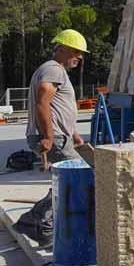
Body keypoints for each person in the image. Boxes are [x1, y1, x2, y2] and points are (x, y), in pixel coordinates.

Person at [27, 29, 88, 170]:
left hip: (58, 136)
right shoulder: (54, 70)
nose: (80, 57)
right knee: (80, 173)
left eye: (81, 53)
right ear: (61, 49)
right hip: (55, 137)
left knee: (63, 178)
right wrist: (49, 138)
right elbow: (42, 103)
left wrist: (74, 134)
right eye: (76, 51)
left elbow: (57, 107)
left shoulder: (53, 70)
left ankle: (55, 193)